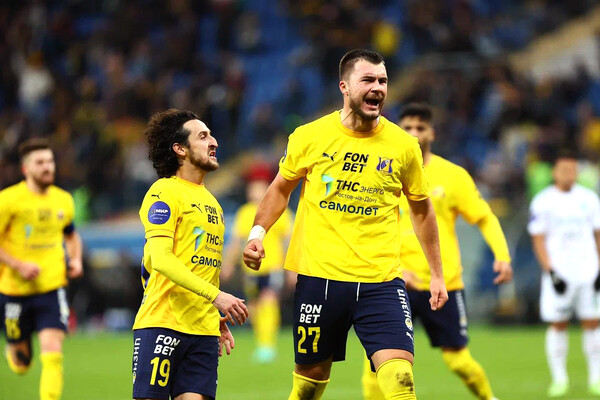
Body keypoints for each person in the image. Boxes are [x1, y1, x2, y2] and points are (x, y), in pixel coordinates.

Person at [243, 49, 448, 400]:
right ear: (344, 86)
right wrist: (257, 233)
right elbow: (280, 189)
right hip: (320, 279)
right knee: (308, 385)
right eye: (368, 80)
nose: (378, 87)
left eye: (383, 80)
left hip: (382, 281)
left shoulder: (404, 146)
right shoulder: (309, 136)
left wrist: (437, 274)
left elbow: (422, 211)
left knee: (400, 377)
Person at [361, 103, 512, 400]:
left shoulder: (452, 175)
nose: (414, 133)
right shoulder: (380, 172)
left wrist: (502, 256)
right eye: (407, 127)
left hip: (442, 282)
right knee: (377, 366)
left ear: (433, 133)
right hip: (393, 282)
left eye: (420, 127)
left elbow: (484, 217)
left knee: (459, 362)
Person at [132, 109, 249, 400]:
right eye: (203, 136)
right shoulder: (164, 192)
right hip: (162, 323)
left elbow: (202, 267)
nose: (214, 142)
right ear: (180, 149)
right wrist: (216, 297)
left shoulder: (213, 203)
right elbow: (160, 259)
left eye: (211, 135)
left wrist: (210, 314)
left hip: (204, 331)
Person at [0, 137, 83, 400]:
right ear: (26, 169)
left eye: (50, 161)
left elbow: (71, 235)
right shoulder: (8, 200)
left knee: (52, 351)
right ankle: (15, 350)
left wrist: (76, 259)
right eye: (40, 162)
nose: (47, 167)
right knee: (21, 363)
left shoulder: (63, 200)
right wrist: (18, 265)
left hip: (51, 286)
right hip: (14, 290)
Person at [528, 151, 600, 398]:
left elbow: (597, 234)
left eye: (573, 170)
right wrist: (550, 271)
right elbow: (538, 239)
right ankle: (559, 380)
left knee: (593, 322)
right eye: (564, 170)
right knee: (558, 324)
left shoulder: (589, 199)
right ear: (554, 172)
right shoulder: (543, 201)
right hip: (559, 272)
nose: (569, 174)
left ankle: (596, 378)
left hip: (588, 271)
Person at [221, 162, 294, 363]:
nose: (254, 191)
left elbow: (289, 241)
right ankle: (262, 341)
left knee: (269, 300)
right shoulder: (244, 213)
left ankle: (268, 345)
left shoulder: (279, 209)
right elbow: (236, 242)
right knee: (253, 306)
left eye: (259, 187)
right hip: (250, 270)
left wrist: (291, 269)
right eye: (252, 187)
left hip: (273, 266)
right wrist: (228, 264)